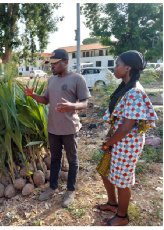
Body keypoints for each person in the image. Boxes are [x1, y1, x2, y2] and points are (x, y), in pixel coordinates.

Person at [95, 50, 157, 226]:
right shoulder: (125, 87)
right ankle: (112, 204)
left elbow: (127, 127)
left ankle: (122, 216)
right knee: (104, 171)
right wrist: (110, 138)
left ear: (128, 68)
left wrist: (109, 142)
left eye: (117, 65)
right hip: (118, 140)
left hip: (127, 143)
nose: (115, 68)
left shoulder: (134, 92)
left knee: (123, 180)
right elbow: (119, 120)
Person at [25, 49, 91, 207]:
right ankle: (52, 187)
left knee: (72, 160)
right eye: (51, 64)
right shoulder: (51, 80)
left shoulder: (77, 79)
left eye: (55, 63)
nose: (52, 66)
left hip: (69, 128)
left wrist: (72, 106)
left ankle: (70, 190)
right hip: (53, 128)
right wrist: (32, 95)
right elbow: (46, 100)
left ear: (66, 62)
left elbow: (85, 102)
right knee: (55, 158)